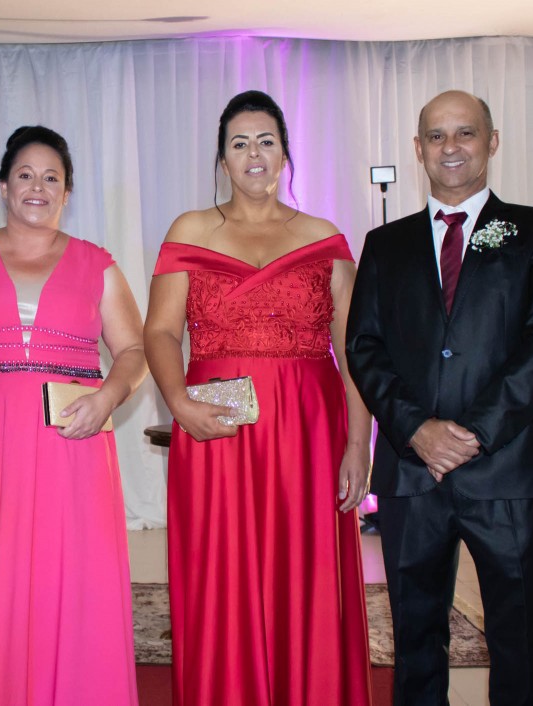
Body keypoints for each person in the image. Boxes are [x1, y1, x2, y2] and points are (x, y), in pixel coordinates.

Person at [345, 90, 533, 705]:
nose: (451, 147)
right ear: (418, 148)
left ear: (491, 141)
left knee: (517, 636)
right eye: (436, 135)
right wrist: (416, 429)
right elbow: (364, 347)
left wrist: (474, 433)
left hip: (507, 469)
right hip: (411, 472)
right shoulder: (384, 244)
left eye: (465, 133)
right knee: (415, 637)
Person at [144, 90, 373, 705]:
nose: (253, 153)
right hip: (215, 428)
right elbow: (160, 332)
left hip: (308, 434)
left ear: (285, 155)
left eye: (266, 141)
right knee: (220, 571)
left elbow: (355, 352)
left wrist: (358, 444)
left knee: (307, 573)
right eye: (239, 142)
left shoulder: (324, 238)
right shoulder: (190, 230)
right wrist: (178, 403)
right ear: (222, 159)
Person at [0, 125, 146, 706]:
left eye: (52, 178)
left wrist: (107, 398)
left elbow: (134, 350)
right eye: (25, 175)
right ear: (3, 186)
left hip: (73, 444)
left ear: (67, 192)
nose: (38, 188)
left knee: (67, 577)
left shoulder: (97, 264)